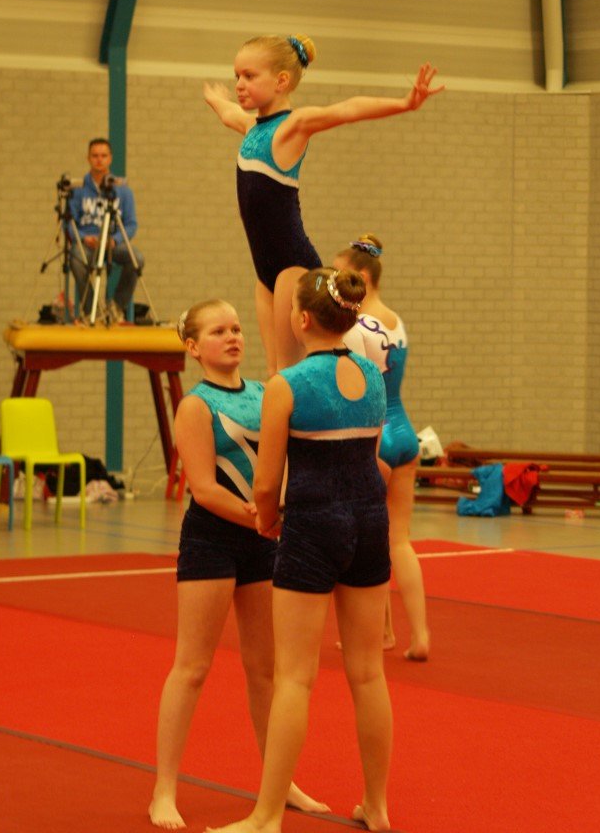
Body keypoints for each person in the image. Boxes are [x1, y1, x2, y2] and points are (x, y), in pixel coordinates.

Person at [209, 268, 393, 833]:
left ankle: (267, 815)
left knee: (294, 677)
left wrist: (265, 521)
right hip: (369, 524)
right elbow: (375, 459)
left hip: (313, 527)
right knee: (368, 673)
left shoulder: (287, 385)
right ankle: (377, 806)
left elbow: (266, 483)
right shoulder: (373, 375)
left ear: (302, 318)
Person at [148, 299, 328, 830]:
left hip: (261, 539)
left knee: (265, 670)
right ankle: (164, 788)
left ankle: (279, 783)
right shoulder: (195, 406)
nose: (232, 337)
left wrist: (279, 509)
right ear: (193, 347)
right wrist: (261, 517)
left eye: (236, 328)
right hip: (213, 540)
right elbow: (204, 489)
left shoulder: (265, 393)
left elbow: (281, 464)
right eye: (218, 331)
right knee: (192, 667)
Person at [203, 34, 443, 373]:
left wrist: (405, 103)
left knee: (289, 372)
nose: (239, 84)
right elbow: (230, 114)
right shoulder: (252, 128)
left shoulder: (292, 126)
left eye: (249, 75)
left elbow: (346, 110)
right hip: (265, 271)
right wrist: (216, 99)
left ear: (281, 81)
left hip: (292, 265)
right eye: (236, 76)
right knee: (274, 373)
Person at [336, 234, 429, 661]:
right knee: (399, 541)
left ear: (361, 276)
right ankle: (418, 635)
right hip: (405, 431)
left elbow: (356, 389)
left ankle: (379, 632)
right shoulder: (396, 321)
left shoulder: (354, 326)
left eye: (339, 275)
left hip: (374, 437)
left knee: (367, 540)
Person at [67, 137, 143, 323]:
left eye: (103, 156)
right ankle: (92, 310)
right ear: (88, 158)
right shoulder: (78, 189)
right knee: (76, 257)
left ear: (110, 159)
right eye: (95, 156)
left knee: (136, 258)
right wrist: (84, 238)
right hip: (88, 244)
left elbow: (131, 224)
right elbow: (69, 223)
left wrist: (115, 240)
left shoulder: (123, 190)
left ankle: (116, 307)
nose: (99, 160)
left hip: (112, 244)